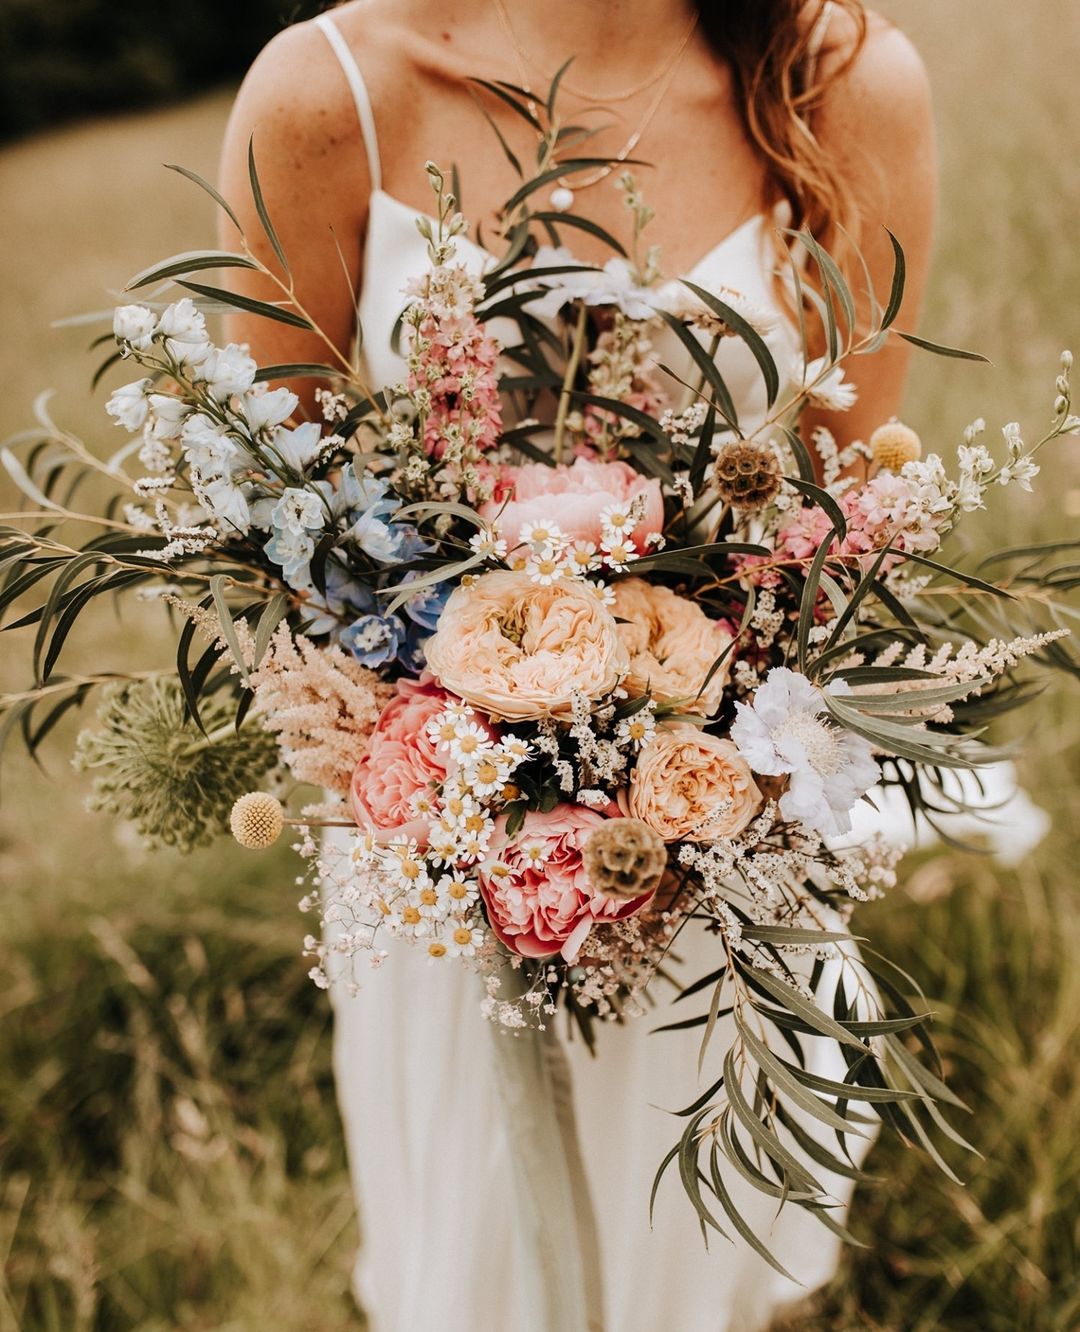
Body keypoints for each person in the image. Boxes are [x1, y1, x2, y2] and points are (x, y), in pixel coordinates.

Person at [217, 3, 936, 1328]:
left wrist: (674, 762)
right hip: (445, 857)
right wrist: (478, 762)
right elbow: (274, 526)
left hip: (721, 846)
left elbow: (842, 517)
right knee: (493, 1269)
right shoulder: (330, 97)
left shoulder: (842, 81)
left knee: (703, 1251)